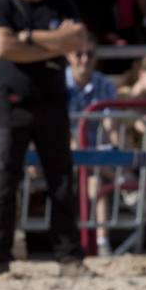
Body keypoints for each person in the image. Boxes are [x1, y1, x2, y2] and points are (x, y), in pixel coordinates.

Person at [0, 0, 88, 278]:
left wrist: (25, 39)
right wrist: (52, 42)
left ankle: (69, 258)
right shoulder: (1, 3)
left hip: (53, 102)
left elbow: (78, 39)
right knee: (4, 183)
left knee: (61, 182)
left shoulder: (61, 2)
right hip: (12, 103)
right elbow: (0, 46)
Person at [64, 39, 121, 257]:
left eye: (90, 54)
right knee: (86, 164)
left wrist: (115, 148)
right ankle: (123, 181)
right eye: (79, 53)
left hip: (93, 154)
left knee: (95, 181)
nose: (85, 59)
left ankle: (102, 242)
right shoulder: (59, 83)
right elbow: (60, 129)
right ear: (68, 56)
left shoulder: (104, 84)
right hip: (62, 150)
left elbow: (111, 125)